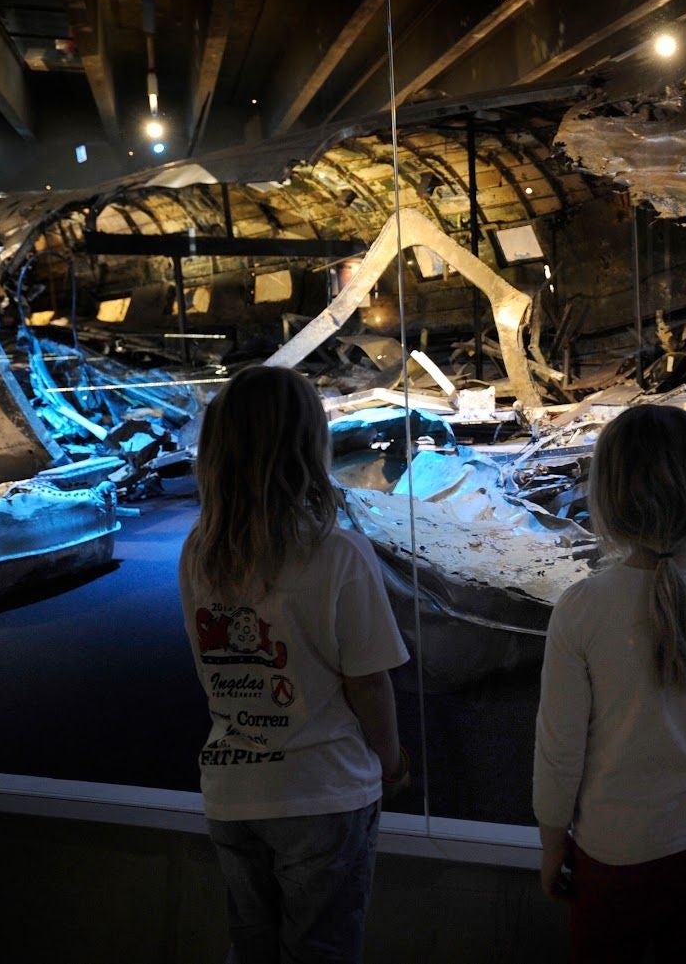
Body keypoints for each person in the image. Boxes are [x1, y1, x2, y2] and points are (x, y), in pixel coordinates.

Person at [534, 404, 686, 963]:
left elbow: (558, 752)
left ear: (608, 496)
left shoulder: (581, 608)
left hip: (616, 851)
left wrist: (552, 845)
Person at [180, 365, 410, 964]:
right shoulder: (337, 553)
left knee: (251, 948)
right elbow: (369, 680)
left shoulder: (198, 552)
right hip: (321, 791)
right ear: (311, 445)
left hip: (233, 790)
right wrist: (390, 759)